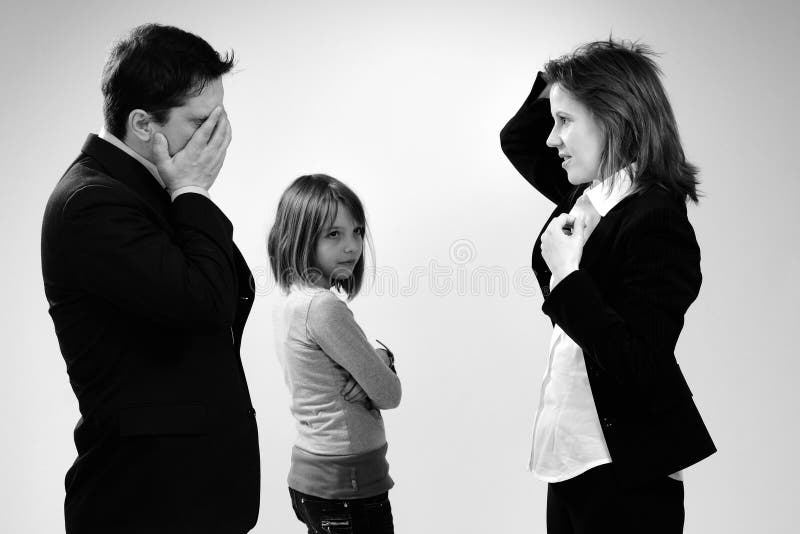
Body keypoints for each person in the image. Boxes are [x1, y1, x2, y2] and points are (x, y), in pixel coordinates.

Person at [41, 24, 259, 533]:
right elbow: (206, 302)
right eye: (200, 121)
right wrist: (193, 191)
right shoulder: (91, 202)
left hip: (192, 497)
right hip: (145, 503)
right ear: (143, 123)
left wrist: (186, 192)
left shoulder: (151, 189)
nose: (216, 137)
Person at [500, 39, 716, 533]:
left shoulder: (655, 219)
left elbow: (640, 363)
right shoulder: (587, 195)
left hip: (626, 475)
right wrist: (559, 74)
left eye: (565, 121)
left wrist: (569, 277)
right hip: (569, 461)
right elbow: (519, 139)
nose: (551, 139)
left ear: (614, 117)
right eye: (552, 120)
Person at [268, 174, 401, 533]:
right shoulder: (324, 308)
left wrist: (375, 359)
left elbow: (367, 375)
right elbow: (389, 394)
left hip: (320, 480)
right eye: (333, 234)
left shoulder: (294, 300)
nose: (351, 246)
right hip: (348, 486)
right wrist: (381, 365)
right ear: (299, 237)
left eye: (357, 231)